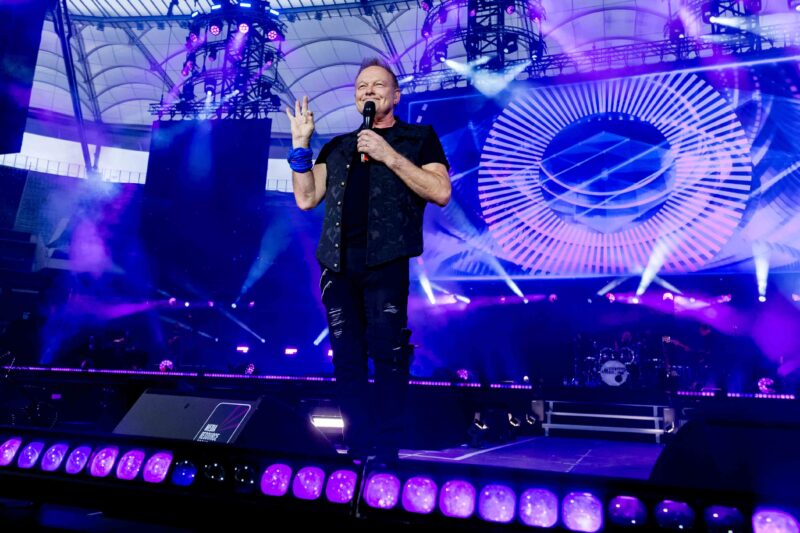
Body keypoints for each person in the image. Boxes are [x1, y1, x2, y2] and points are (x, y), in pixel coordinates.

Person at [286, 58, 451, 462]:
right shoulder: (339, 146)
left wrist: (388, 154)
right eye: (362, 87)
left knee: (388, 353)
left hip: (385, 261)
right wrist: (301, 147)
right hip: (338, 266)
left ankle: (387, 448)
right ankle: (358, 447)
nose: (368, 92)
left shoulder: (418, 138)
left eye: (377, 86)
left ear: (396, 95)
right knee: (347, 359)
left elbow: (440, 191)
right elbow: (306, 198)